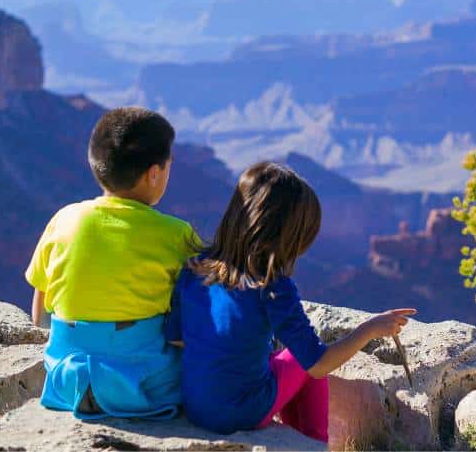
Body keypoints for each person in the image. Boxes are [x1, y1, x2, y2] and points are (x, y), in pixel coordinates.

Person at [165, 162, 415, 443]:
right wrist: (371, 328)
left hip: (195, 407)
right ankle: (313, 443)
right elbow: (318, 364)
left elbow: (177, 340)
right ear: (288, 234)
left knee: (277, 359)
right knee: (304, 356)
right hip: (241, 413)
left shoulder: (194, 268)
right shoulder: (272, 286)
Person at [25, 106, 200, 420]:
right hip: (145, 388)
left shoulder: (64, 219)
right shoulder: (176, 234)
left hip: (66, 383)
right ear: (154, 173)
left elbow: (39, 311)